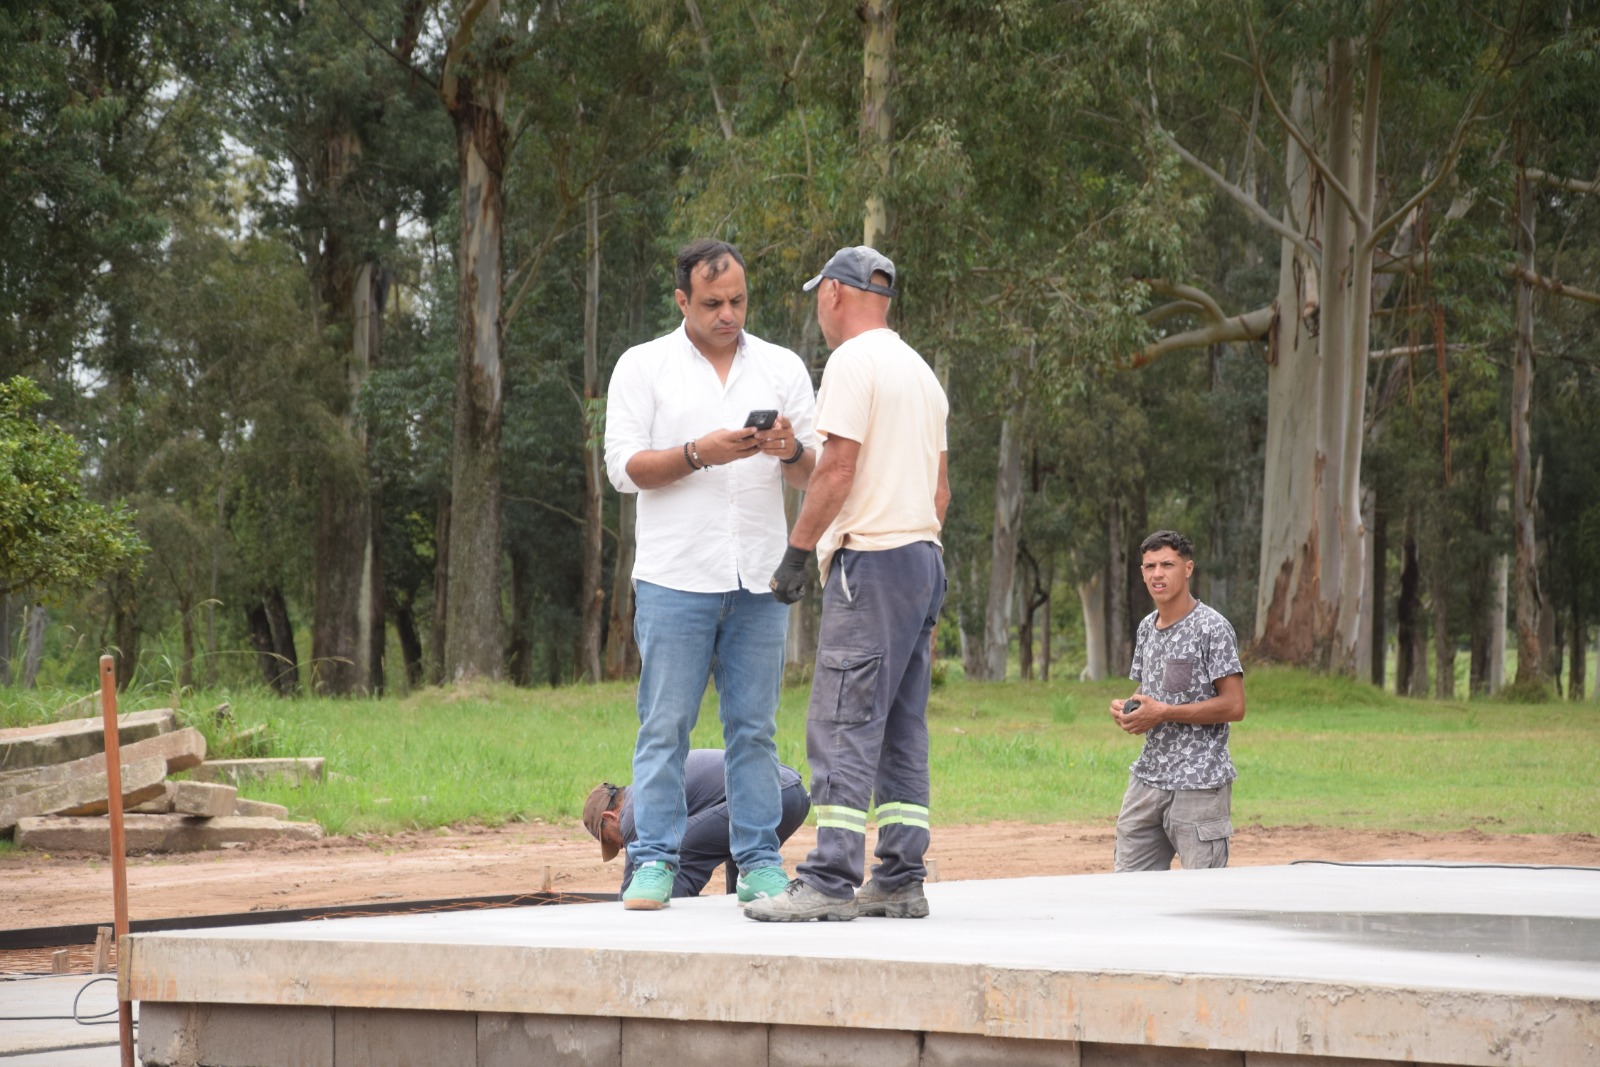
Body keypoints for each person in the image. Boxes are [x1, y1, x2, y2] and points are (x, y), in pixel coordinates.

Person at [603, 239, 817, 911]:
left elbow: (815, 469)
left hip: (758, 576)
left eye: (738, 301)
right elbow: (623, 468)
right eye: (712, 303)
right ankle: (654, 862)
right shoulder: (644, 366)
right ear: (681, 300)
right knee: (665, 723)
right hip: (676, 575)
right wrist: (700, 452)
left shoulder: (781, 366)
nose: (728, 314)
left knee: (753, 728)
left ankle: (758, 860)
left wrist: (789, 450)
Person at [745, 246, 950, 923]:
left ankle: (829, 880)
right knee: (898, 725)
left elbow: (838, 470)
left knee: (841, 720)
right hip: (921, 556)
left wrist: (797, 553)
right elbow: (938, 489)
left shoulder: (852, 364)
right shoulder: (919, 372)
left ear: (834, 292)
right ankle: (899, 875)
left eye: (817, 295)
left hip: (873, 563)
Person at [1109, 530, 1247, 872]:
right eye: (1150, 566)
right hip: (1148, 780)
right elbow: (1149, 695)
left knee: (1203, 902)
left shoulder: (1212, 628)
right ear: (1142, 573)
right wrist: (1131, 711)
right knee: (1128, 891)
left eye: (1167, 564)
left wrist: (1164, 712)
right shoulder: (1146, 628)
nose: (1158, 573)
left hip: (1199, 786)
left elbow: (1234, 706)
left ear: (1187, 569)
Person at [582, 749, 812, 899]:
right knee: (740, 850)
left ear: (610, 817)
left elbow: (633, 889)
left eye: (613, 840)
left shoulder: (637, 807)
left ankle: (669, 932)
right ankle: (748, 905)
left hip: (771, 797)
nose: (622, 847)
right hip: (793, 795)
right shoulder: (650, 787)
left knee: (675, 857)